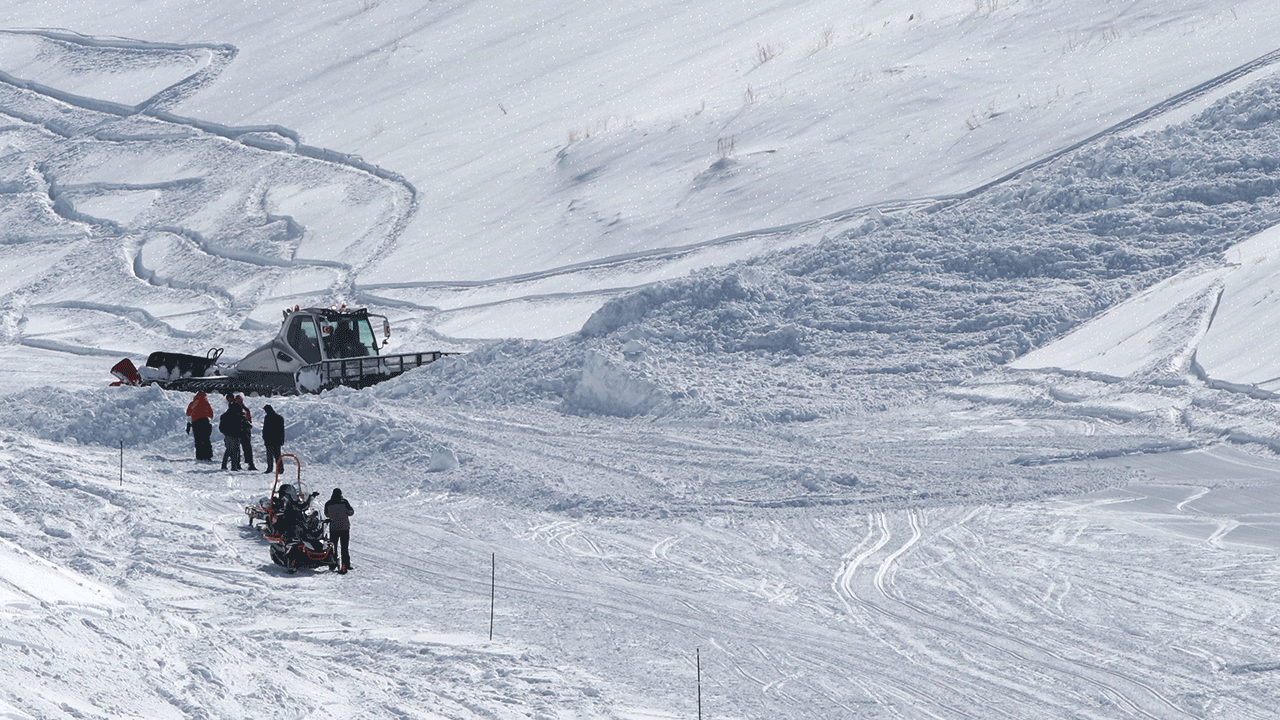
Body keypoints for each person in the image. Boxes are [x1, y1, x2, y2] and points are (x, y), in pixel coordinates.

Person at [325, 488, 355, 574]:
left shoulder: (328, 503)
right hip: (344, 528)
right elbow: (351, 512)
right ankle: (346, 564)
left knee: (333, 547)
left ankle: (333, 564)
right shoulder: (344, 502)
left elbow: (326, 514)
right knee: (344, 548)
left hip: (333, 528)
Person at [185, 391, 214, 461]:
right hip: (205, 423)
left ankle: (199, 456)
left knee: (198, 440)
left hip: (196, 424)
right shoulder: (206, 403)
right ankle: (208, 456)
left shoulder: (192, 403)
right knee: (206, 440)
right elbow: (211, 414)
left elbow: (188, 413)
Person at [218, 394, 243, 470]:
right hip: (236, 434)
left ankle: (224, 465)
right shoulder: (238, 415)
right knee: (235, 450)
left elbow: (221, 427)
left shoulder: (224, 415)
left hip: (227, 435)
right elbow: (240, 425)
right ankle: (234, 466)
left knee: (228, 450)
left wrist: (225, 432)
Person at [234, 395, 258, 471]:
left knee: (246, 449)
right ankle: (239, 464)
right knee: (242, 449)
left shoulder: (244, 410)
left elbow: (249, 421)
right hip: (240, 432)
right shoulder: (243, 410)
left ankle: (247, 464)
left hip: (242, 432)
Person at [261, 404, 285, 474]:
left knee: (270, 455)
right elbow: (282, 431)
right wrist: (282, 439)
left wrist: (264, 436)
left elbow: (265, 429)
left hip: (270, 439)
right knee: (277, 455)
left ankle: (270, 468)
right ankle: (280, 469)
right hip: (275, 440)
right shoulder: (279, 417)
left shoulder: (268, 417)